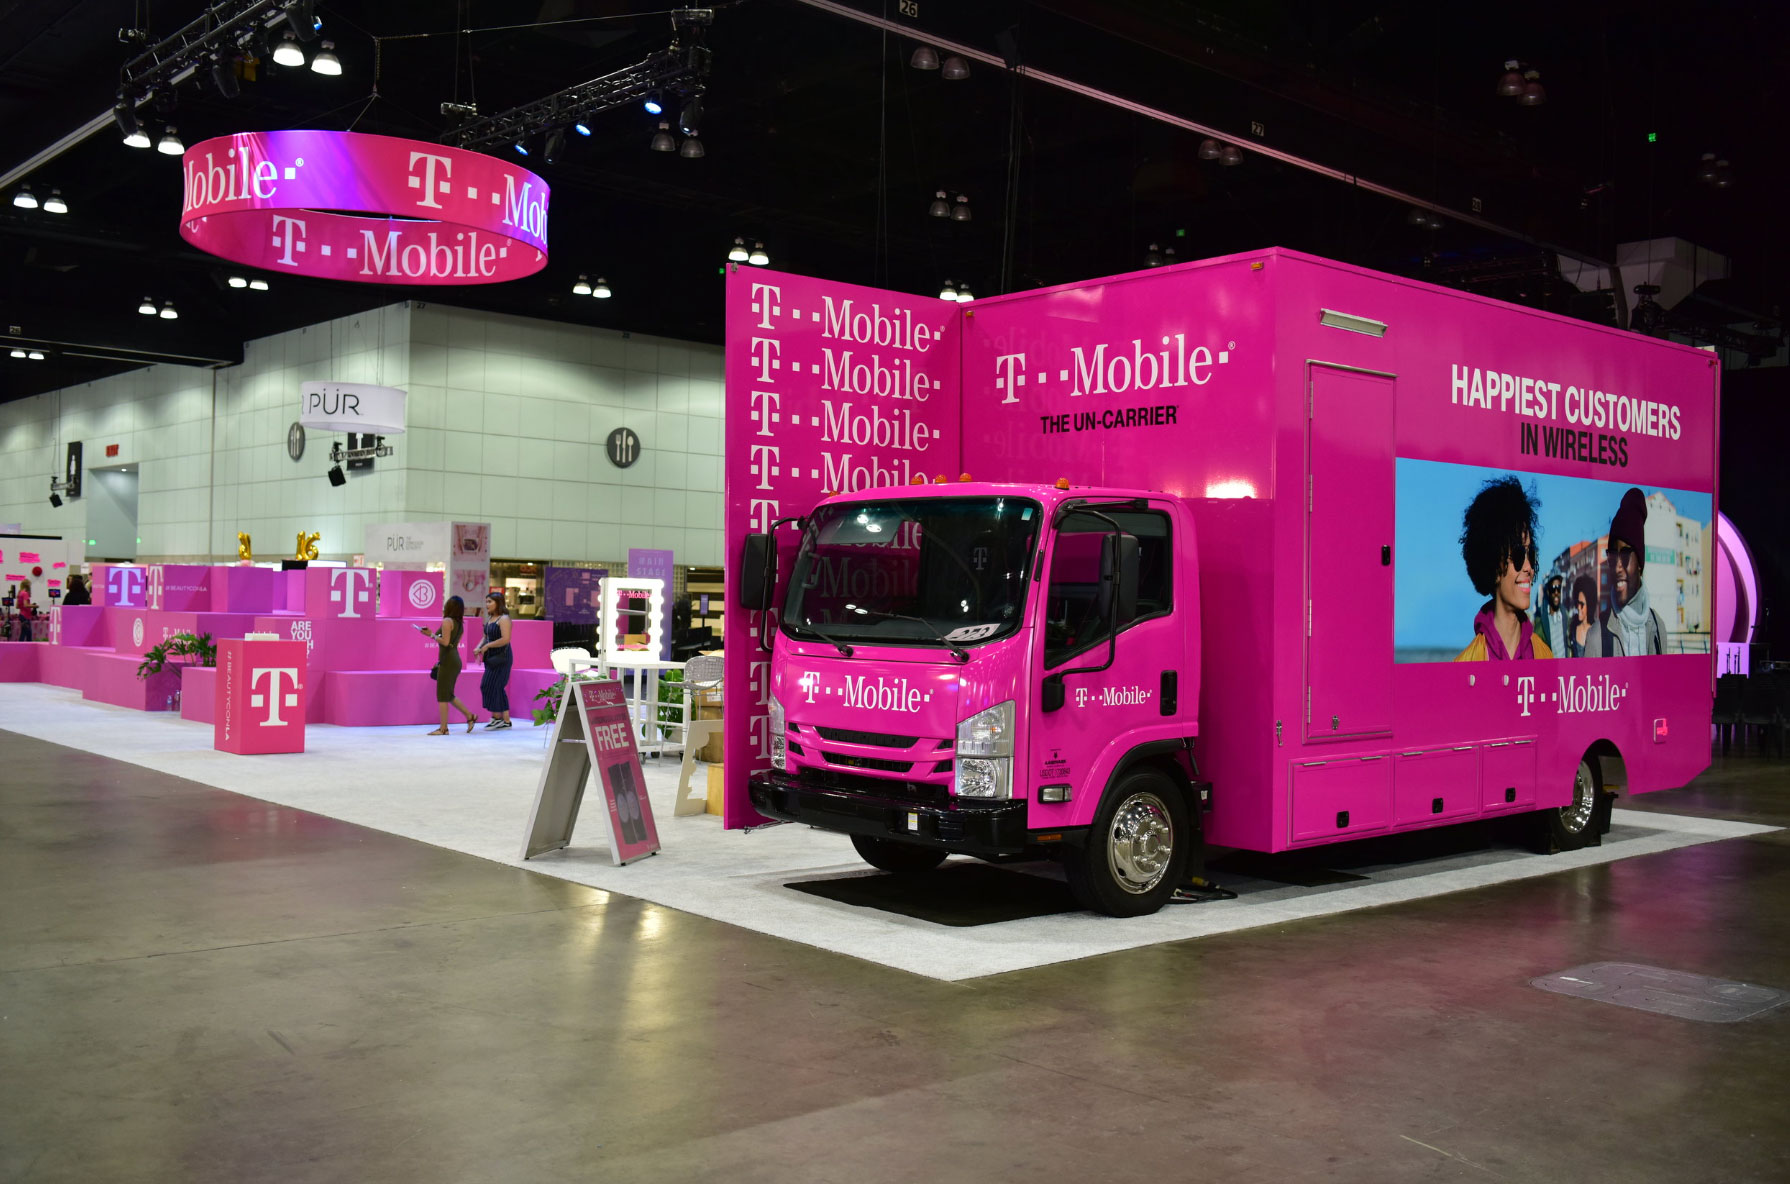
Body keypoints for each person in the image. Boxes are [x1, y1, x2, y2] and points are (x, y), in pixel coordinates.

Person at [1453, 475, 1554, 661]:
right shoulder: (1465, 665)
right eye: (1518, 556)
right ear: (1492, 563)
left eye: (1530, 554)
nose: (1528, 567)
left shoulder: (1545, 657)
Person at [1583, 487, 1668, 657]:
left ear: (1640, 564)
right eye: (1613, 555)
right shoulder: (1597, 636)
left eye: (1625, 554)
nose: (1617, 566)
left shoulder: (1658, 627)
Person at [417, 595, 478, 735]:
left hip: (449, 660)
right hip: (454, 659)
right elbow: (451, 643)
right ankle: (470, 716)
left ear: (449, 607)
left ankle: (443, 728)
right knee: (448, 694)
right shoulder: (460, 624)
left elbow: (445, 642)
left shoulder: (447, 621)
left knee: (442, 696)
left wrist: (431, 635)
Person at [473, 590, 514, 729]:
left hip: (502, 657)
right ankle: (503, 719)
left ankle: (499, 718)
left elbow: (506, 639)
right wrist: (478, 647)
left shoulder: (504, 619)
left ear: (498, 603)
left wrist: (487, 646)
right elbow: (485, 637)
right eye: (486, 602)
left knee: (493, 686)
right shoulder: (490, 619)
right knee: (493, 686)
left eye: (490, 602)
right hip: (491, 657)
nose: (487, 604)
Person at [1534, 575, 1566, 653]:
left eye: (1558, 588)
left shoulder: (1566, 618)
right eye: (1553, 589)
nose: (1556, 592)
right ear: (1548, 592)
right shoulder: (1541, 623)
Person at [1569, 575, 1598, 658]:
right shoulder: (1571, 630)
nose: (1578, 608)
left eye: (1582, 604)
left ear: (1590, 605)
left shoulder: (1597, 629)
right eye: (1577, 603)